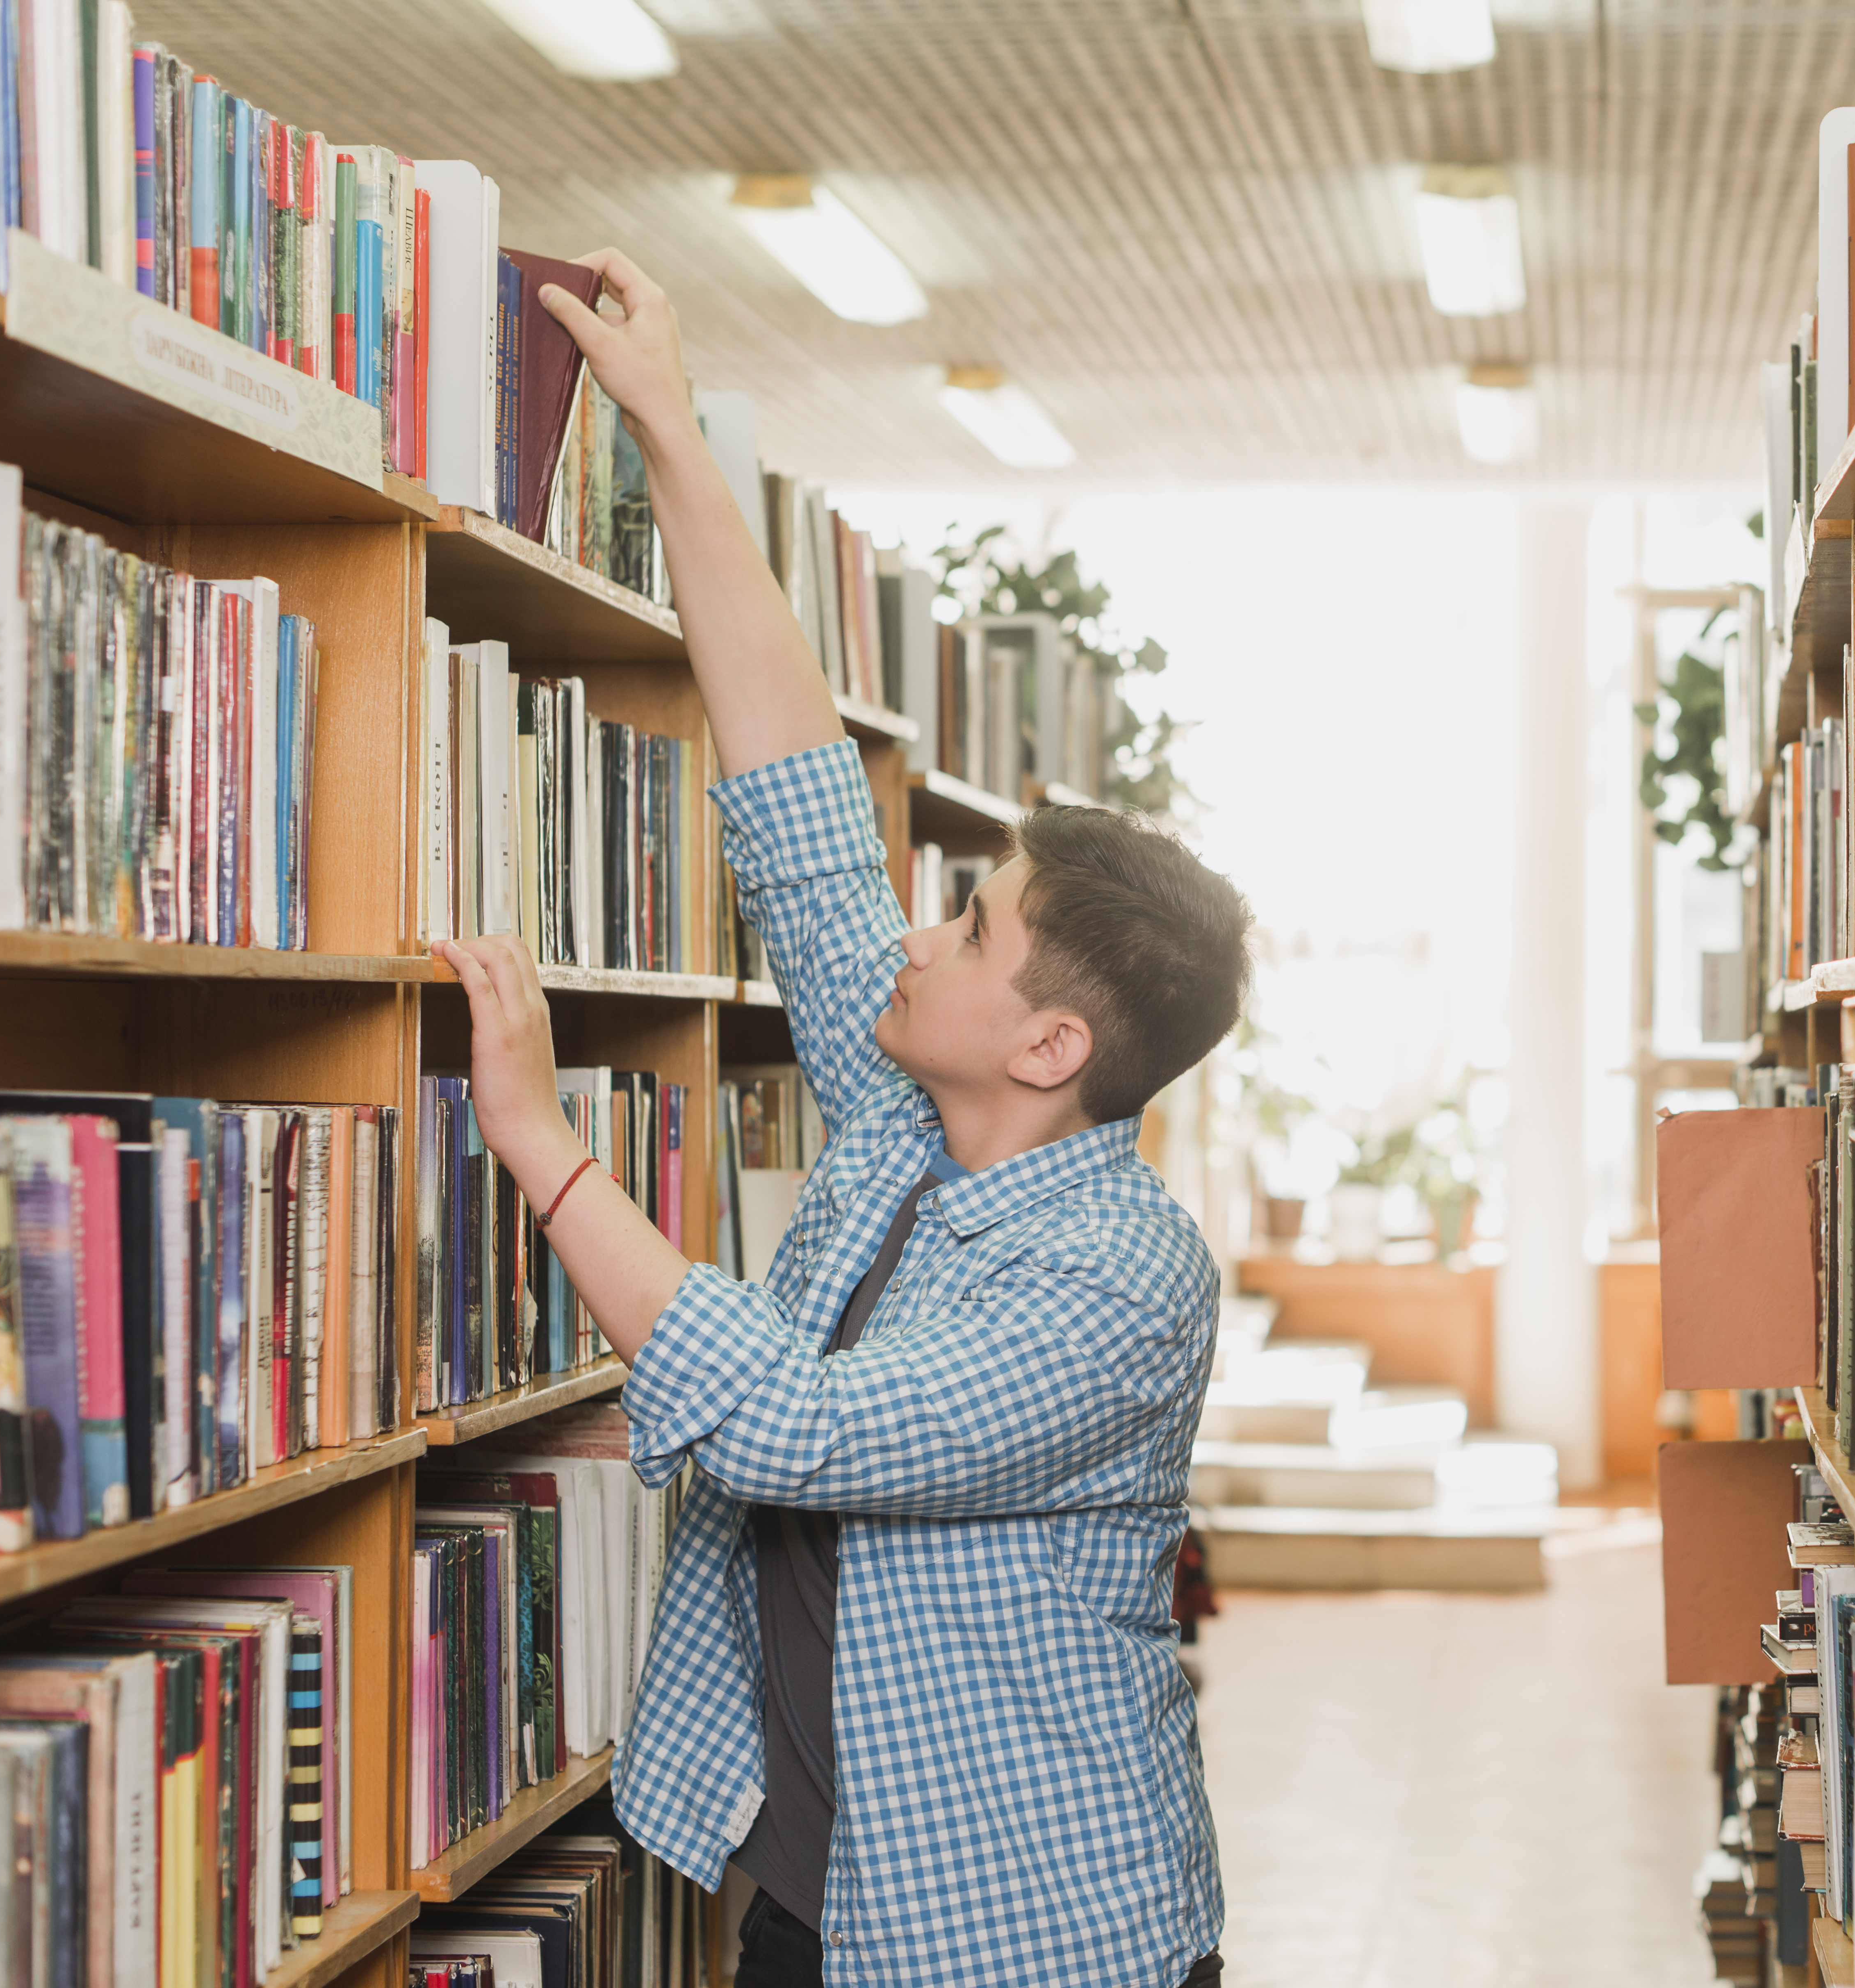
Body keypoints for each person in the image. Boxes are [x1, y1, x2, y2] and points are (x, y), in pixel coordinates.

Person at [431, 248, 1247, 1988]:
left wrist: (541, 1141)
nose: (914, 934)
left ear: (1049, 1046)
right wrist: (668, 428)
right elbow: (799, 802)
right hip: (816, 1887)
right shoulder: (903, 1117)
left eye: (968, 927)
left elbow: (786, 1425)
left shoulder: (1121, 1282)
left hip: (1026, 1939)